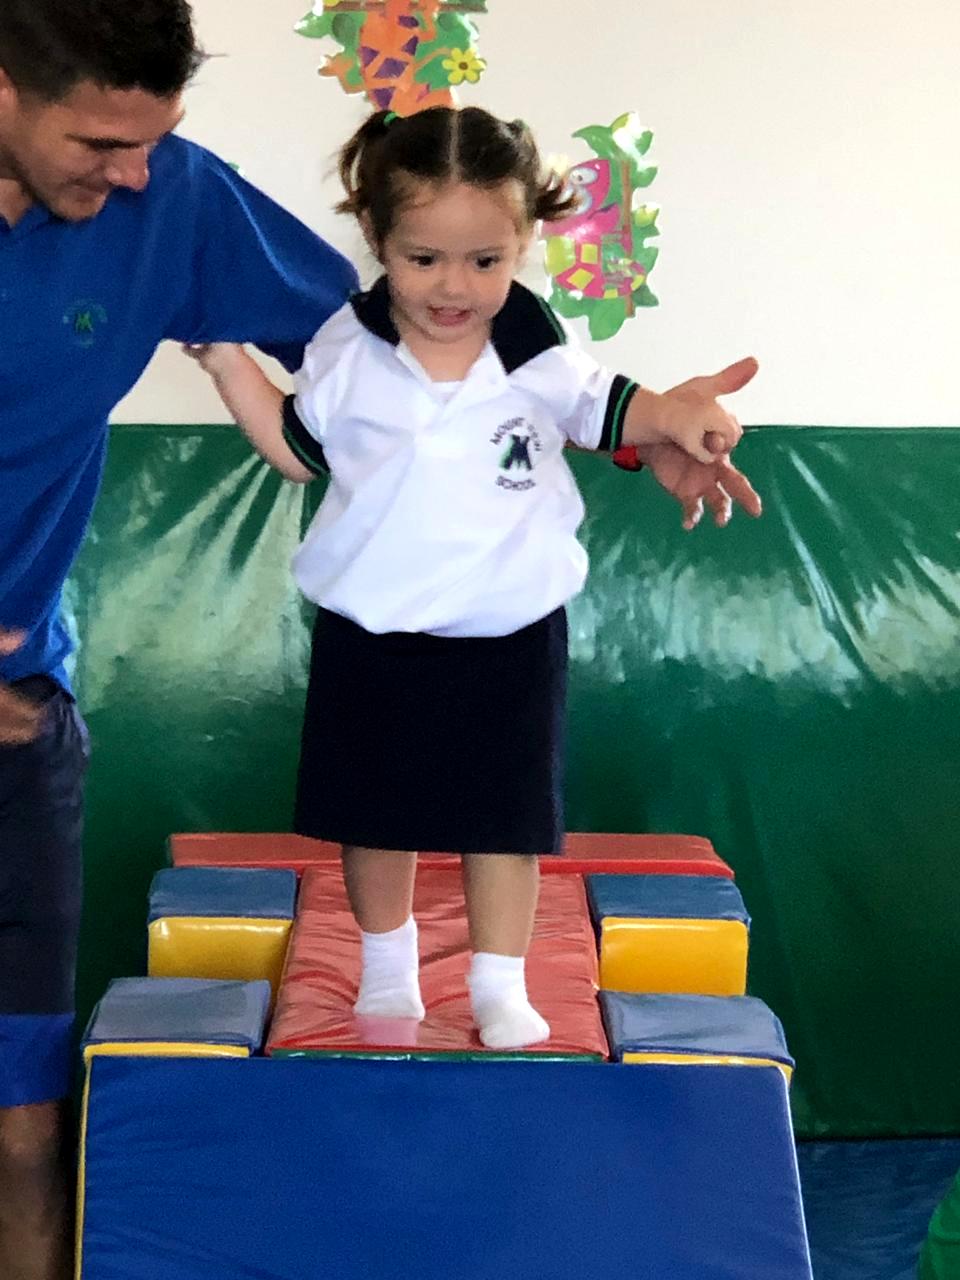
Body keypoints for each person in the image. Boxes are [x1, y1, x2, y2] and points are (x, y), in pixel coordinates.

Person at [186, 105, 762, 1057]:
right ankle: (387, 968)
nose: (454, 286)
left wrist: (681, 415)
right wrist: (224, 360)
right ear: (378, 240)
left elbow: (611, 407)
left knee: (506, 821)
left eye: (486, 261)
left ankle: (499, 981)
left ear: (523, 245)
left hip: (509, 628)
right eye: (424, 259)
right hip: (373, 626)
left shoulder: (533, 346)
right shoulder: (345, 346)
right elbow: (296, 448)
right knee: (373, 816)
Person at [0, 1, 361, 1275]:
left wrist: (624, 414)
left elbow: (403, 336)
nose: (136, 173)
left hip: (18, 725)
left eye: (154, 139)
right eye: (102, 142)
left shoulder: (171, 199)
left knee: (25, 1126)